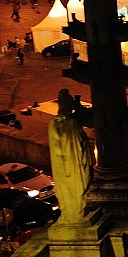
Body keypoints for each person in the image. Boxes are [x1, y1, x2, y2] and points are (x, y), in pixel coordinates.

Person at [49, 89, 94, 224]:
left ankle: (70, 212)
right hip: (75, 164)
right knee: (79, 188)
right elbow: (81, 145)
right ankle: (78, 213)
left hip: (61, 167)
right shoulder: (72, 124)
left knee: (66, 189)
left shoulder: (53, 124)